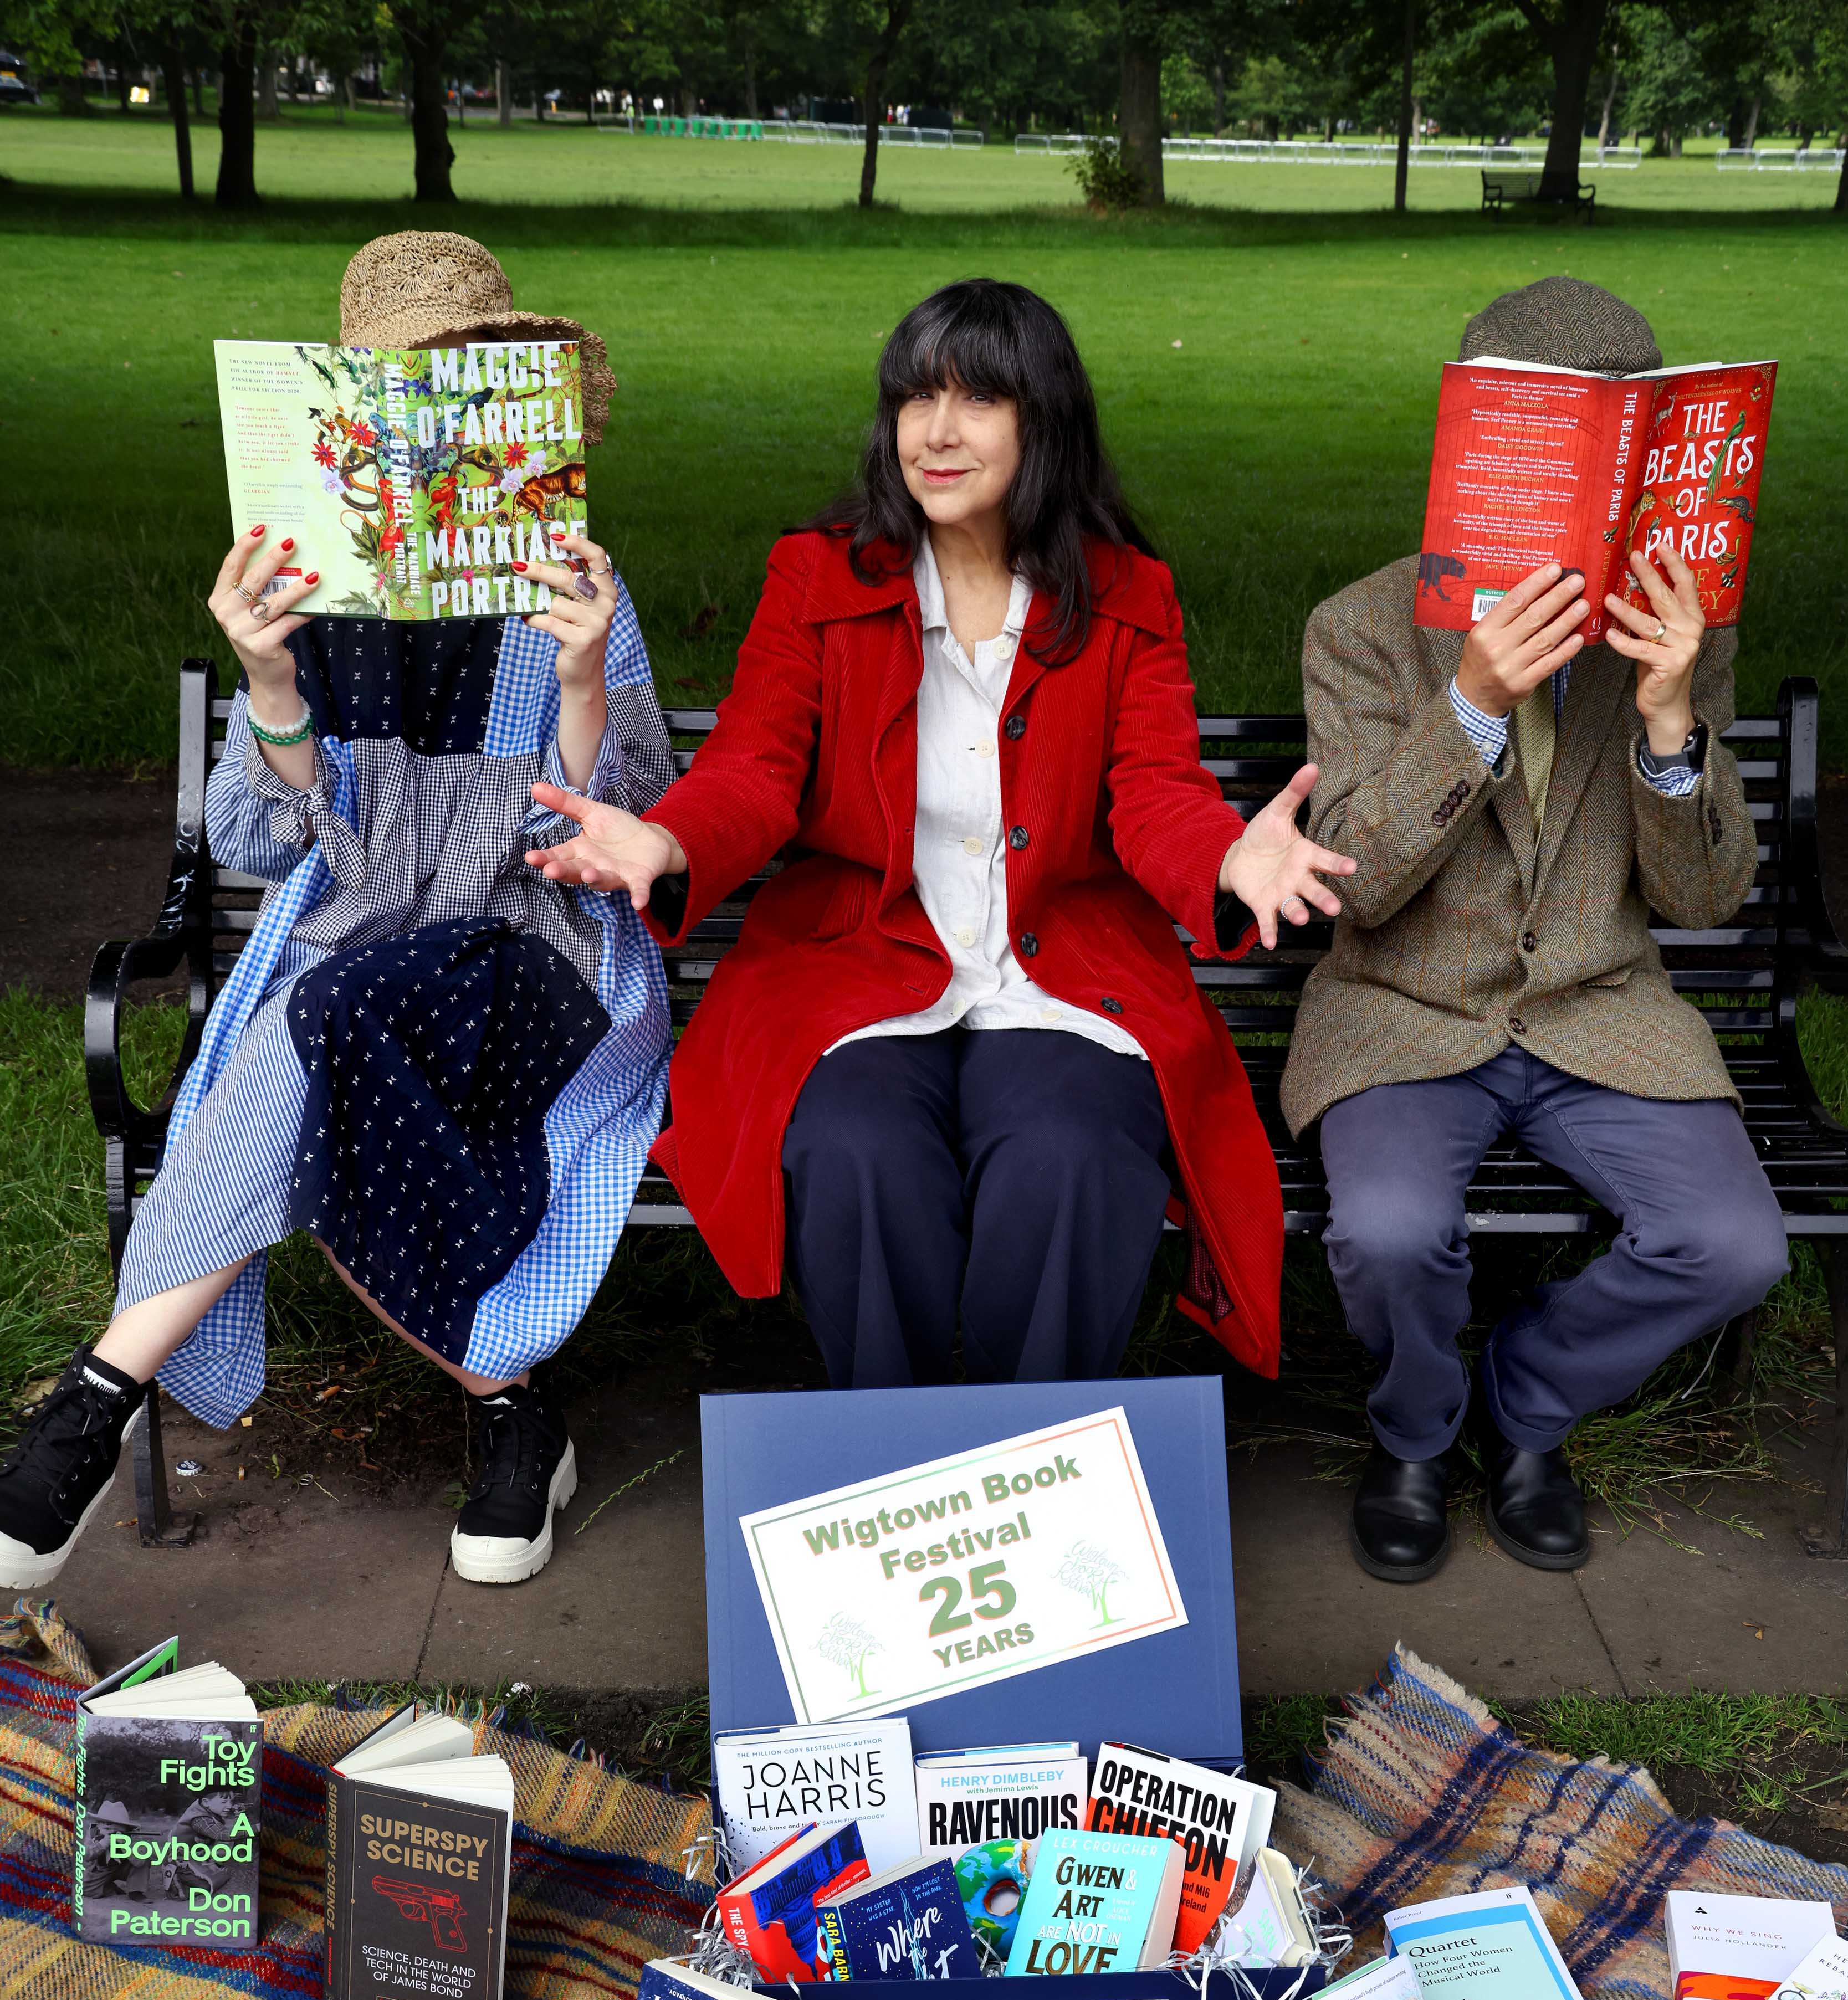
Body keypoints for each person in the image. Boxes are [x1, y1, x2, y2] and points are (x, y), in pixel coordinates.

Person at [523, 278, 1352, 1390]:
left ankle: (1039, 1466)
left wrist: (1226, 854)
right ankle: (901, 1467)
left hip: (1059, 971)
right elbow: (756, 766)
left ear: (1043, 422)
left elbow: (1154, 789)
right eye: (917, 398)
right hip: (855, 959)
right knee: (857, 1155)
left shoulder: (1126, 594)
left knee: (1074, 1158)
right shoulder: (817, 576)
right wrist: (669, 844)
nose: (938, 431)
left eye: (978, 400)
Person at [0, 233, 675, 1592]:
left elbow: (615, 831)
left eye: (463, 385)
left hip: (533, 939)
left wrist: (588, 675)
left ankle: (85, 1406)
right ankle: (510, 1406)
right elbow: (250, 834)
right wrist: (270, 682)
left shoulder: (574, 581)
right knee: (337, 1009)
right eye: (396, 393)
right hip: (363, 933)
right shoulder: (303, 581)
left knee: (320, 1013)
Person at [1286, 276, 1787, 1583]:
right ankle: (1414, 1432)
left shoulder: (1672, 628)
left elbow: (1703, 899)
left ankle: (1524, 1402)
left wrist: (1674, 723)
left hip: (1596, 1011)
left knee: (1737, 1244)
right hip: (1405, 1006)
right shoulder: (1357, 628)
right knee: (1390, 1230)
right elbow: (1358, 883)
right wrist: (1472, 702)